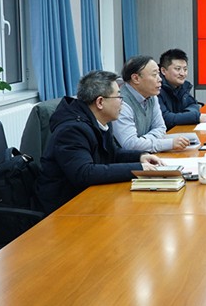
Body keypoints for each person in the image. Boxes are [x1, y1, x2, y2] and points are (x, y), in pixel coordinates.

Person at [35, 70, 164, 214]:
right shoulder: (72, 130)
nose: (122, 102)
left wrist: (140, 157)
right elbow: (84, 173)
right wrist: (138, 168)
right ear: (100, 102)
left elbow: (113, 153)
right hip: (65, 209)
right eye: (119, 96)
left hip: (89, 199)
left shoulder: (100, 121)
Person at [113, 55, 193, 152]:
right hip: (127, 159)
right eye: (154, 75)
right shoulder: (120, 103)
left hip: (146, 155)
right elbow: (130, 145)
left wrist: (143, 141)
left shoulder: (151, 96)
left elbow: (161, 128)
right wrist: (169, 144)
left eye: (158, 74)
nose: (160, 79)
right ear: (136, 78)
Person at [158, 48, 206, 129]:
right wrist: (195, 117)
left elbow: (193, 104)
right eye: (177, 69)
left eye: (185, 69)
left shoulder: (182, 86)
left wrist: (185, 116)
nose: (183, 73)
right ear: (163, 71)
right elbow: (165, 118)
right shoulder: (156, 88)